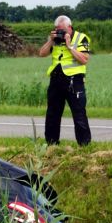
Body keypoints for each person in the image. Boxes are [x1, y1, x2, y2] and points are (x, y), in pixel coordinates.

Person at [39, 15, 91, 146]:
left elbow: (84, 59)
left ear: (69, 27)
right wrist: (50, 41)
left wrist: (70, 46)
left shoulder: (81, 38)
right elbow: (42, 53)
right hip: (56, 78)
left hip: (74, 80)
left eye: (61, 30)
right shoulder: (55, 39)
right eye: (57, 29)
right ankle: (51, 143)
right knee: (52, 113)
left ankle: (84, 144)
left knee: (79, 113)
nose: (59, 32)